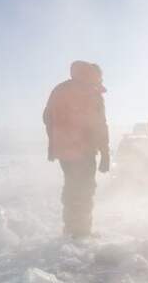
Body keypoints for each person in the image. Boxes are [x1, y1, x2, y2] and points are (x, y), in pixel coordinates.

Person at [43, 61, 110, 238]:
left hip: (63, 150)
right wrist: (105, 153)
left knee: (72, 186)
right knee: (85, 189)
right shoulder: (91, 92)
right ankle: (82, 232)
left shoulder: (60, 89)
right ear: (94, 75)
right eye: (100, 76)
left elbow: (47, 117)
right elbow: (100, 125)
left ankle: (70, 229)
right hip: (84, 150)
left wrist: (55, 142)